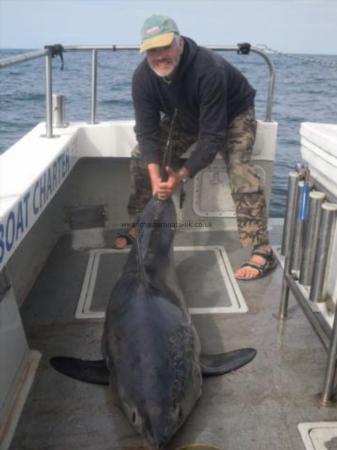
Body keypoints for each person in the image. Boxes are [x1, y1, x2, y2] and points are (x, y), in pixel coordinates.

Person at [114, 14, 277, 281]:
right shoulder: (143, 77)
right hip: (185, 115)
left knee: (239, 168)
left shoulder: (207, 68)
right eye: (152, 50)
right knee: (141, 157)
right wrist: (157, 177)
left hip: (232, 113)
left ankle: (262, 247)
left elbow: (212, 137)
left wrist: (180, 177)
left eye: (164, 47)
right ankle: (142, 225)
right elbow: (147, 131)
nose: (159, 56)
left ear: (179, 43)